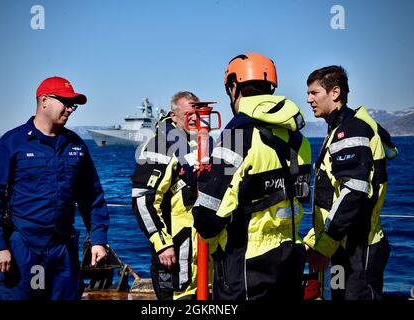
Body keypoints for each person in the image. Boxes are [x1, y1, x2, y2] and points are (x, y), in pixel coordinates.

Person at [0, 76, 109, 300]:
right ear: (44, 100)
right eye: (65, 101)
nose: (70, 108)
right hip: (23, 249)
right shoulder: (13, 142)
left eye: (73, 104)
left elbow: (91, 196)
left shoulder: (76, 145)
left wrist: (99, 240)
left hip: (63, 249)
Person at [192, 53, 312, 300]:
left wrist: (205, 181)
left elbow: (208, 217)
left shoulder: (236, 138)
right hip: (291, 258)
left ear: (233, 87)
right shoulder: (300, 141)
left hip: (246, 263)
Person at [303, 65, 397, 300]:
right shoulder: (338, 129)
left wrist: (324, 247)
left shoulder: (350, 130)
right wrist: (313, 242)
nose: (308, 99)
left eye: (314, 93)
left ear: (335, 93)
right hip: (342, 246)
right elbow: (331, 197)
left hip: (358, 248)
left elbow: (353, 193)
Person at [131, 91, 202, 300]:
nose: (194, 119)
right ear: (174, 116)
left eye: (198, 114)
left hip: (199, 252)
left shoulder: (198, 144)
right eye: (189, 114)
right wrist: (163, 244)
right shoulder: (158, 146)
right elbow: (143, 199)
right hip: (174, 250)